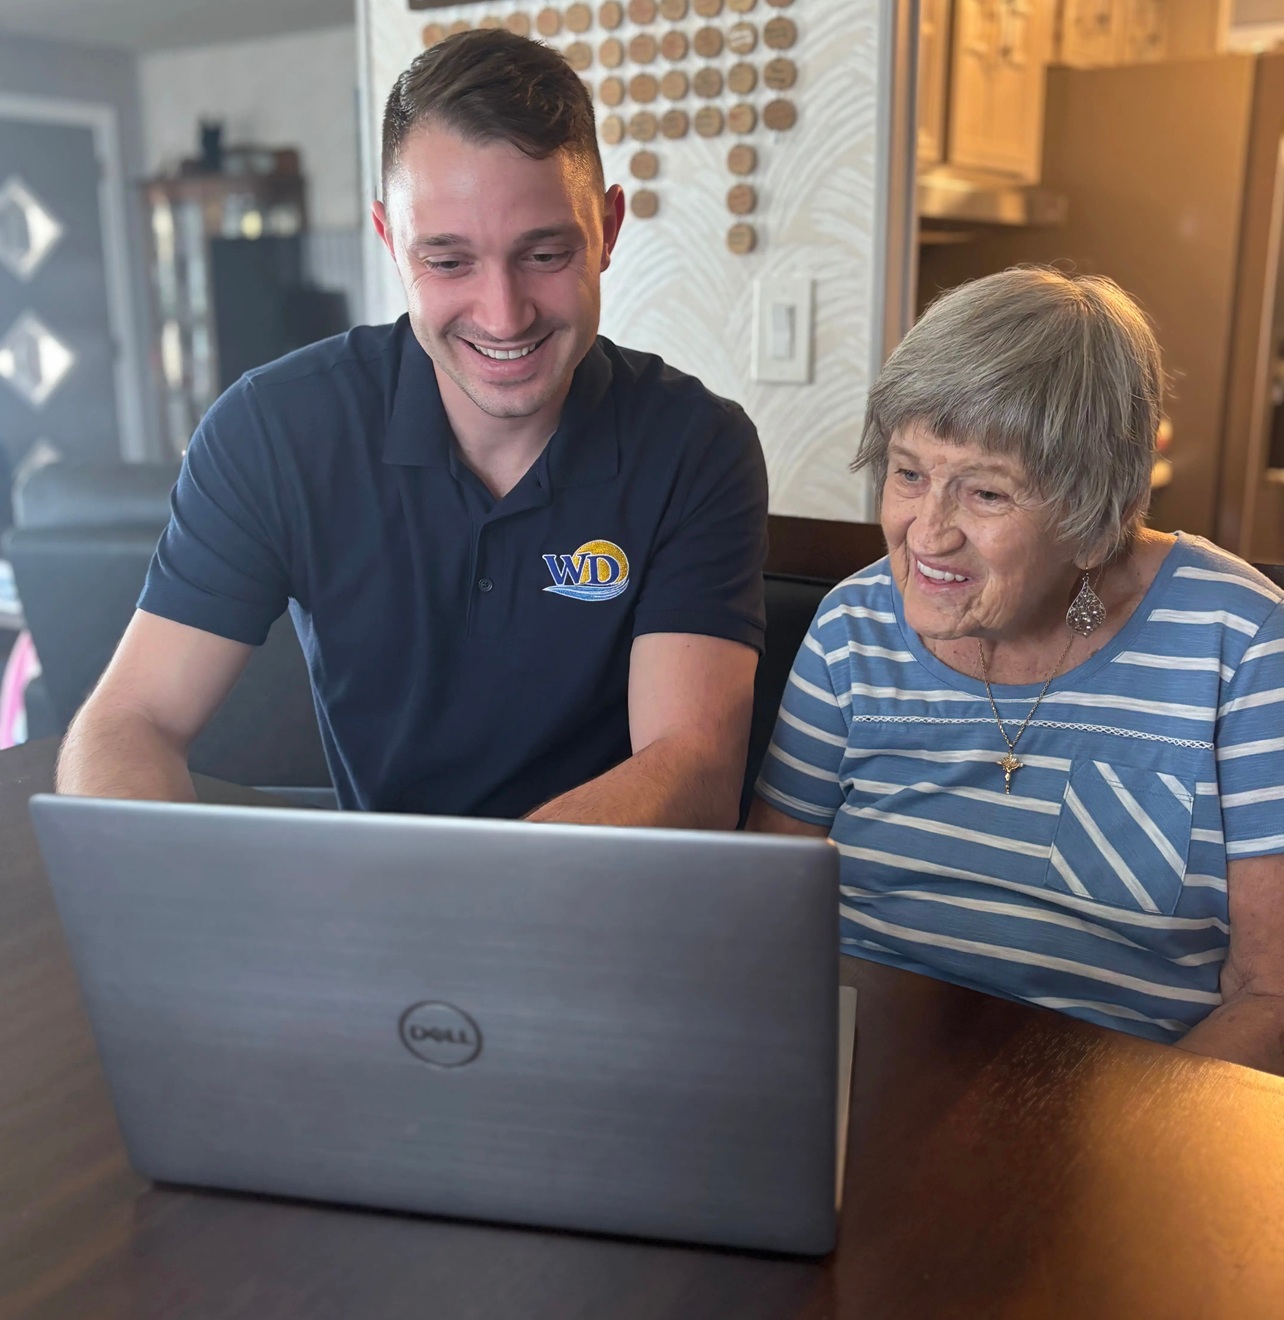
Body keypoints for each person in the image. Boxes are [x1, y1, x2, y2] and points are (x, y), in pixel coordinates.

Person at [56, 30, 767, 827]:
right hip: (373, 913)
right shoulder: (272, 431)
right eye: (449, 260)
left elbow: (691, 772)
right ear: (391, 240)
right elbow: (131, 719)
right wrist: (150, 885)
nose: (504, 315)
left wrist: (453, 905)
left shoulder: (697, 446)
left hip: (607, 916)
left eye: (544, 253)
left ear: (606, 231)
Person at [750, 267, 1284, 1075]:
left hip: (1116, 1112)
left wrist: (1141, 1140)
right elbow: (764, 903)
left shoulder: (1241, 645)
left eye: (986, 494)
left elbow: (1269, 994)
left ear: (1094, 514)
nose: (927, 535)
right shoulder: (854, 626)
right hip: (852, 1072)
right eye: (909, 473)